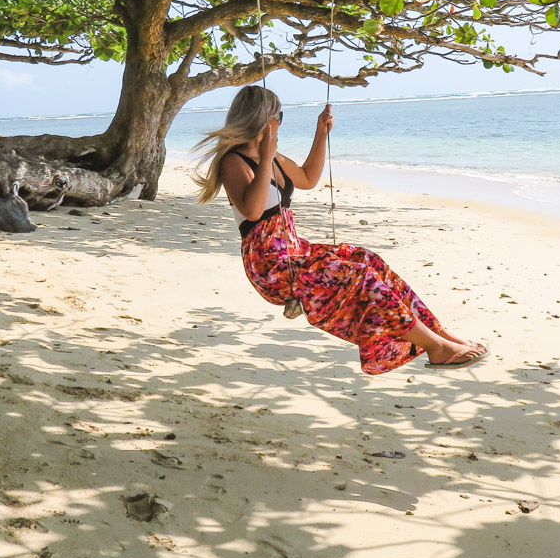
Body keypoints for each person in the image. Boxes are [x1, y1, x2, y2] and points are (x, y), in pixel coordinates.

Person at [195, 85, 487, 374]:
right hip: (271, 265)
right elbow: (253, 210)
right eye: (278, 116)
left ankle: (439, 333)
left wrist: (320, 134)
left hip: (296, 251)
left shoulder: (275, 158)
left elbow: (308, 178)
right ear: (262, 118)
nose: (280, 123)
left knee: (367, 259)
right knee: (360, 277)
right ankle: (436, 348)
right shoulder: (233, 162)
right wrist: (266, 156)